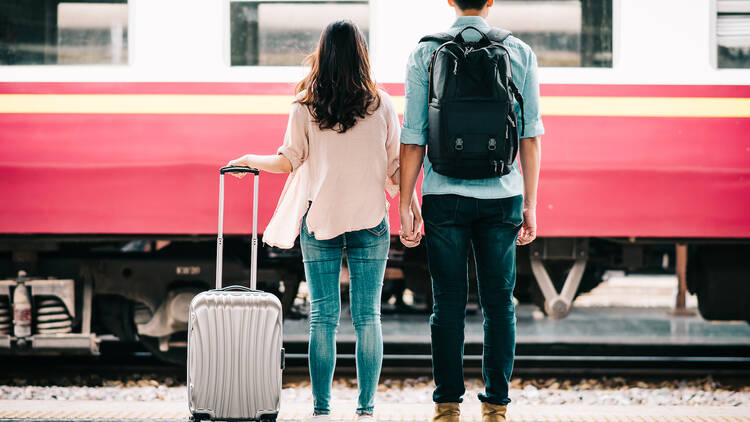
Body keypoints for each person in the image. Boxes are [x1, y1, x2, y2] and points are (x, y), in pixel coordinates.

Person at [227, 20, 419, 421]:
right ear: (361, 55)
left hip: (320, 223)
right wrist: (410, 204)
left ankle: (321, 409)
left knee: (323, 318)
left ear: (324, 54)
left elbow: (287, 160)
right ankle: (366, 410)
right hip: (370, 222)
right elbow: (397, 170)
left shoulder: (305, 105)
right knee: (368, 317)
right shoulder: (381, 103)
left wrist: (249, 160)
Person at [398, 1, 544, 422]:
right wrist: (530, 204)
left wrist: (407, 203)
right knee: (500, 304)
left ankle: (447, 406)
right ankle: (496, 406)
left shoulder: (425, 53)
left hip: (443, 196)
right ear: (490, 2)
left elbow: (413, 135)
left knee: (447, 303)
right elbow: (531, 135)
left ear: (450, 2)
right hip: (502, 197)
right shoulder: (519, 52)